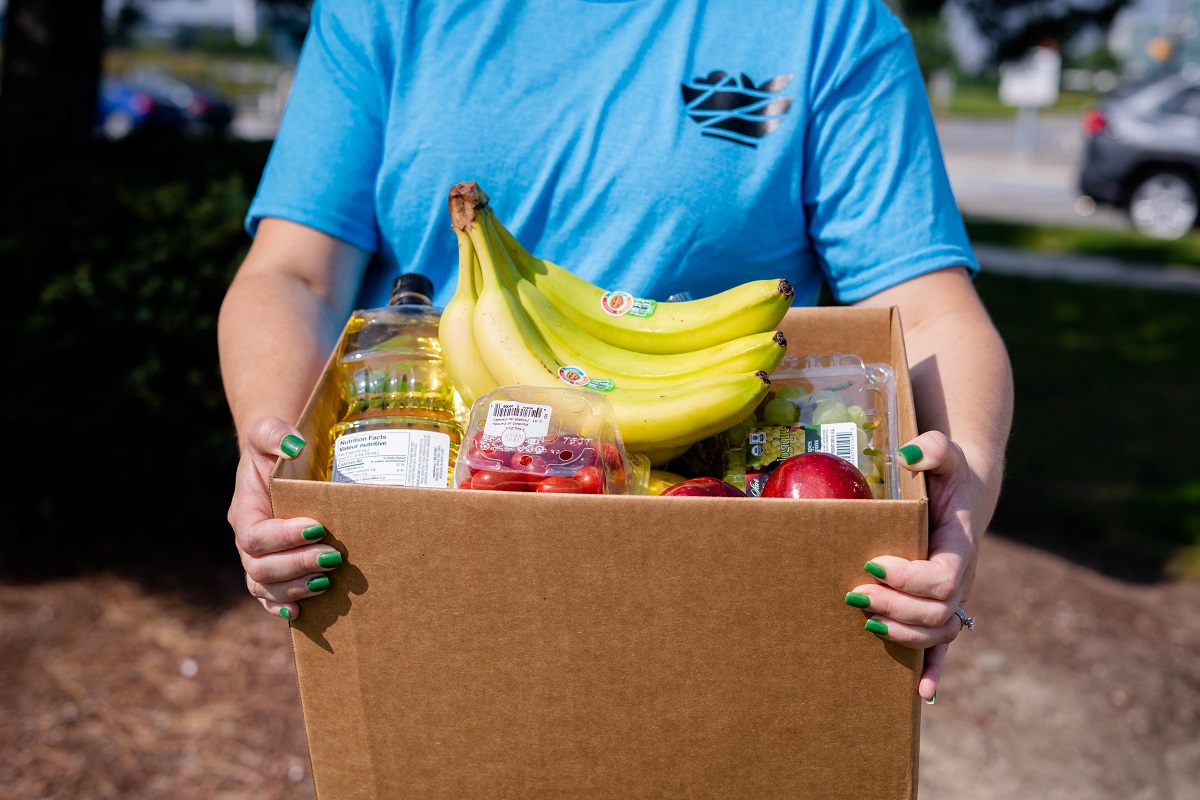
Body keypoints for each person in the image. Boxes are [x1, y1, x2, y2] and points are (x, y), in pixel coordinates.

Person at [218, 0, 1014, 704]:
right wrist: (270, 443)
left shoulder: (826, 22)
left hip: (727, 567)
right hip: (432, 544)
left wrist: (961, 501)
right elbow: (295, 276)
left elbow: (932, 311)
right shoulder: (387, 11)